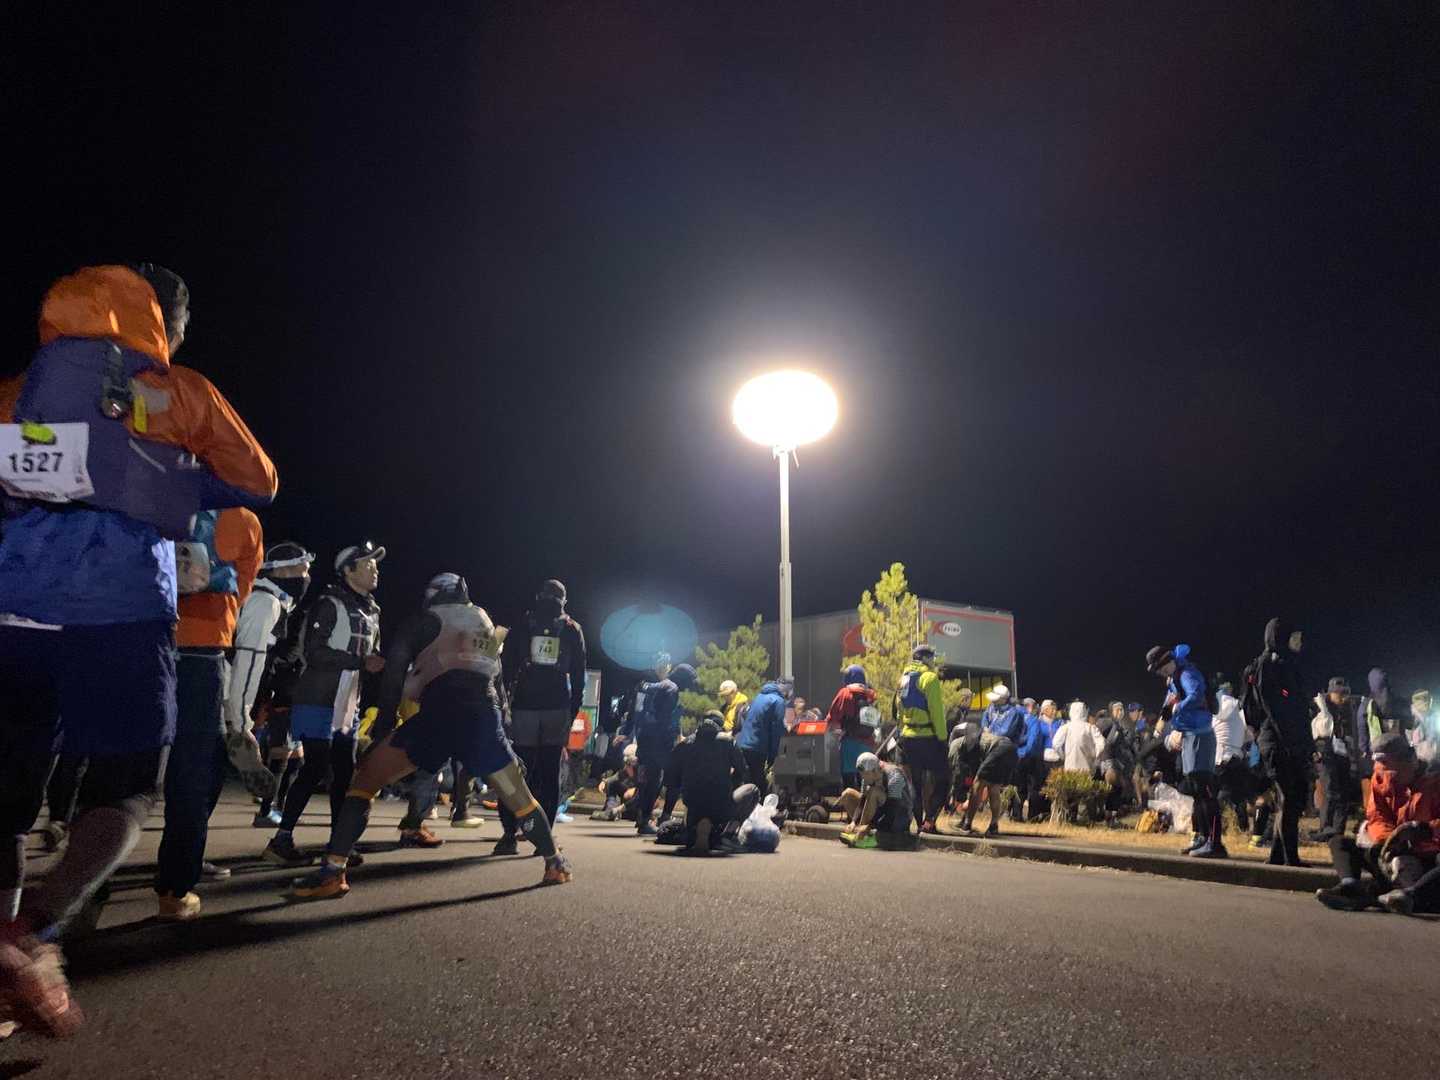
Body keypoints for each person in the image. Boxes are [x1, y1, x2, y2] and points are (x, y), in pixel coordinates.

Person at [0, 264, 277, 1036]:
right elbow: (258, 482)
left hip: (15, 614)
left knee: (8, 801)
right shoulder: (180, 393)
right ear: (165, 328)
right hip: (121, 616)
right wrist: (164, 475)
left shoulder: (19, 391)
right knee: (126, 789)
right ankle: (34, 931)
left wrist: (59, 463)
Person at [290, 574, 571, 898]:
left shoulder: (421, 622)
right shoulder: (484, 621)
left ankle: (332, 871)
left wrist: (383, 728)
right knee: (521, 799)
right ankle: (556, 863)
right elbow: (497, 679)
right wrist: (503, 733)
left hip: (438, 715)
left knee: (365, 780)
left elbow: (394, 675)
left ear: (433, 595)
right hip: (483, 718)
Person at [153, 508, 264, 921]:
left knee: (118, 766)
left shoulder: (150, 493)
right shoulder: (241, 518)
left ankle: (89, 884)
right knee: (193, 775)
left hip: (140, 636)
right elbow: (243, 586)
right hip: (202, 652)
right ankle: (174, 889)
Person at [264, 542, 385, 867]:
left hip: (348, 703)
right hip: (318, 699)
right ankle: (281, 839)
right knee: (315, 767)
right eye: (368, 564)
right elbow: (314, 653)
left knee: (344, 773)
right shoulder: (329, 603)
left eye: (375, 565)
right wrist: (361, 661)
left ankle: (338, 845)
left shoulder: (372, 611)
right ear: (348, 571)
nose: (375, 569)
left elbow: (370, 655)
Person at [494, 580, 586, 853]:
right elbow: (579, 674)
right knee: (549, 772)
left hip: (524, 705)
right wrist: (572, 710)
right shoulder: (572, 628)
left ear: (538, 596)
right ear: (564, 600)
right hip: (557, 707)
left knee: (516, 771)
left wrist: (504, 705)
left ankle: (509, 834)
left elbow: (506, 667)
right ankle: (544, 838)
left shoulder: (523, 623)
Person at [229, 542, 315, 827]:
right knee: (203, 780)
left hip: (235, 699)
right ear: (282, 570)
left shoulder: (275, 602)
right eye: (303, 570)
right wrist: (240, 722)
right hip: (228, 701)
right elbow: (247, 661)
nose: (306, 577)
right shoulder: (265, 603)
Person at [1315, 734, 1440, 914]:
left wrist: (1426, 830)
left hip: (1429, 855)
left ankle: (1410, 895)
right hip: (1397, 855)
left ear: (1411, 761)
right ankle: (1351, 888)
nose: (1389, 781)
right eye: (1383, 772)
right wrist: (1385, 842)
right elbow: (1377, 816)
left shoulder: (1434, 782)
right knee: (1340, 843)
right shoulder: (1381, 779)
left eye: (1393, 774)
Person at [1146, 645, 1224, 857]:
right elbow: (1172, 701)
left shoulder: (1187, 673)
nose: (1160, 673)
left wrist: (1177, 708)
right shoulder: (1174, 678)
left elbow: (1196, 695)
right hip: (1190, 736)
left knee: (1204, 790)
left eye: (1160, 668)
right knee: (1196, 791)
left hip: (1200, 736)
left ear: (1167, 662)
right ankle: (1201, 837)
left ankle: (1215, 843)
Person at [1251, 618, 1311, 867]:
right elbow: (1272, 705)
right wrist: (1287, 738)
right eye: (1294, 637)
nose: (1299, 642)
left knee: (1290, 798)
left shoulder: (1285, 664)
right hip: (1279, 741)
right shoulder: (1269, 663)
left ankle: (1278, 855)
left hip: (1286, 740)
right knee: (1289, 797)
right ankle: (1290, 858)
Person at [617, 662, 698, 836]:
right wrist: (671, 740)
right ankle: (645, 821)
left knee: (644, 781)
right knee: (654, 782)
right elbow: (664, 719)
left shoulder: (652, 686)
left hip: (644, 738)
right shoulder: (672, 689)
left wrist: (628, 730)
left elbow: (637, 709)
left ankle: (641, 818)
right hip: (658, 743)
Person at [661, 713, 752, 853]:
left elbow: (670, 777)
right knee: (752, 790)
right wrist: (733, 782)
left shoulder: (686, 743)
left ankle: (694, 828)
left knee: (694, 799)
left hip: (692, 802)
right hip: (720, 803)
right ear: (720, 725)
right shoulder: (728, 741)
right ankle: (727, 835)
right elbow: (743, 770)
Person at [957, 684, 1024, 836]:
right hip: (993, 748)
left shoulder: (1014, 713)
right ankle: (993, 825)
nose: (993, 701)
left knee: (978, 783)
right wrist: (988, 731)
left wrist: (989, 732)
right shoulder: (991, 708)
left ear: (1004, 699)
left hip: (1002, 749)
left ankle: (967, 823)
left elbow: (1005, 732)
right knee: (993, 788)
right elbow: (984, 724)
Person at [895, 646, 949, 832]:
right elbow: (936, 712)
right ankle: (930, 820)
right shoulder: (930, 678)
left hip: (907, 738)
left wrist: (902, 732)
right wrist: (942, 738)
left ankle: (918, 824)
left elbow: (899, 711)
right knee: (943, 780)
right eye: (932, 658)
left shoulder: (903, 679)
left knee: (915, 784)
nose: (933, 661)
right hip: (928, 738)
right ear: (925, 659)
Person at [1309, 677, 1359, 841]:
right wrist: (1312, 751)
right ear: (1330, 693)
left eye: (1346, 693)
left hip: (1343, 751)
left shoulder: (1348, 708)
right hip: (1324, 749)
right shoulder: (1317, 706)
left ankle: (1337, 830)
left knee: (1343, 791)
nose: (1344, 697)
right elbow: (1307, 729)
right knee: (1330, 789)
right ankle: (1326, 828)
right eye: (1340, 694)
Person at [839, 752, 916, 850]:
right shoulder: (867, 776)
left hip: (899, 816)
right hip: (879, 812)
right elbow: (863, 800)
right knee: (847, 794)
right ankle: (860, 830)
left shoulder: (895, 776)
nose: (863, 777)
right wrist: (853, 821)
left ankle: (862, 834)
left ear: (875, 770)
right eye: (861, 774)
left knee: (874, 791)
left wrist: (869, 826)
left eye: (865, 774)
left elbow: (893, 809)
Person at [736, 677, 790, 801]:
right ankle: (759, 808)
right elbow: (777, 729)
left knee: (748, 781)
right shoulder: (778, 701)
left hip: (743, 743)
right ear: (785, 692)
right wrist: (774, 754)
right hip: (757, 746)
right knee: (759, 783)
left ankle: (744, 808)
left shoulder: (759, 697)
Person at [824, 665, 877, 790]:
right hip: (868, 745)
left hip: (849, 744)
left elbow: (832, 718)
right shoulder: (871, 695)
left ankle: (851, 801)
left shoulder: (845, 693)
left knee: (849, 784)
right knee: (866, 783)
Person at [1011, 698, 1045, 822]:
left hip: (1017, 756)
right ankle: (1033, 816)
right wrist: (1027, 753)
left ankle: (1016, 815)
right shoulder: (1033, 720)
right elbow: (1033, 739)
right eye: (1035, 706)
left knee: (1019, 787)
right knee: (1034, 787)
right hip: (1031, 758)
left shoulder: (1016, 719)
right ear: (1030, 707)